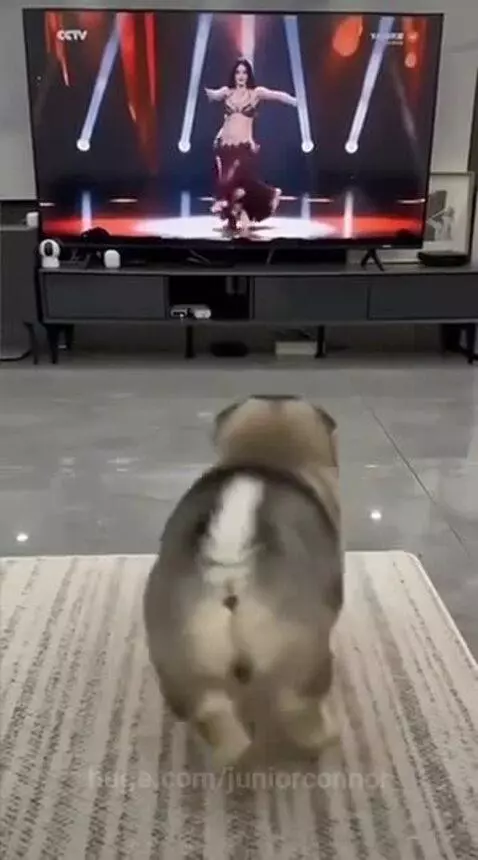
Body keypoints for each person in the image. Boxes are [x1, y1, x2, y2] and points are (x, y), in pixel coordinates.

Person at [205, 58, 297, 235]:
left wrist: (295, 101)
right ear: (234, 74)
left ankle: (269, 195)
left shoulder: (255, 93)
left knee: (235, 181)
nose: (241, 76)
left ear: (248, 75)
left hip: (244, 146)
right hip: (224, 145)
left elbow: (278, 95)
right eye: (238, 72)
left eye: (244, 72)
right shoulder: (227, 92)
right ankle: (233, 218)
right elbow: (212, 97)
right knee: (231, 185)